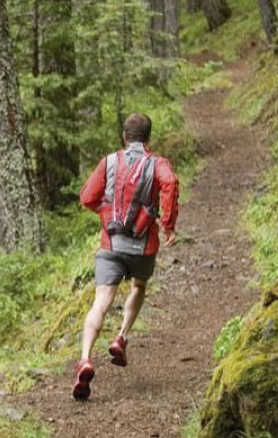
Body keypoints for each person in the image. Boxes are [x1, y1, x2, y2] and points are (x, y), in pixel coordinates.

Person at [72, 112, 179, 401]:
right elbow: (170, 183)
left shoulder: (109, 161)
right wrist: (168, 224)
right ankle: (121, 336)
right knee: (138, 287)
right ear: (148, 138)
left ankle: (85, 358)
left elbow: (86, 198)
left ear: (124, 136)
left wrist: (106, 212)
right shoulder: (157, 164)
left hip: (111, 245)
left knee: (101, 302)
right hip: (143, 247)